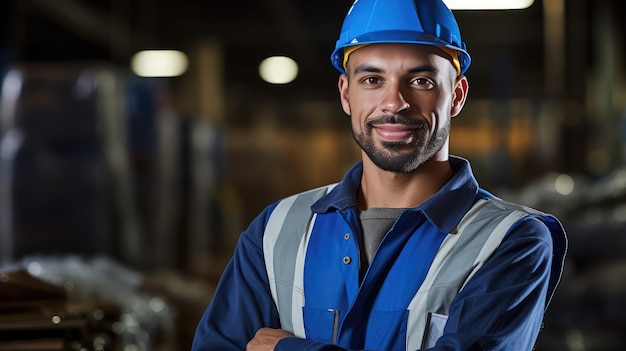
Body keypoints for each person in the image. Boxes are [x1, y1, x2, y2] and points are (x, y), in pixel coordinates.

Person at [191, 0, 567, 349]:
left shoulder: (510, 242)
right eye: (372, 80)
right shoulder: (275, 231)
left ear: (456, 95)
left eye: (420, 81)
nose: (394, 102)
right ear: (345, 93)